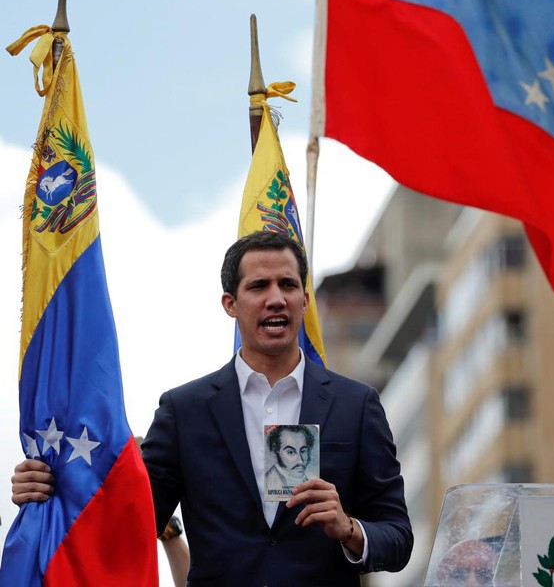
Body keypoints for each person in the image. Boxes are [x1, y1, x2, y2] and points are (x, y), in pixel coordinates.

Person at [12, 230, 413, 586]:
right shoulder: (184, 411)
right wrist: (52, 488)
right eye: (259, 286)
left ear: (304, 300)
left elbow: (398, 538)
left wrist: (349, 529)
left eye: (288, 285)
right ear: (230, 303)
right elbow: (128, 521)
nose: (276, 298)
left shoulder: (356, 405)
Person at [265, 424, 315, 497]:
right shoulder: (267, 483)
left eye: (303, 451)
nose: (300, 461)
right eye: (291, 452)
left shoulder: (310, 482)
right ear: (274, 455)